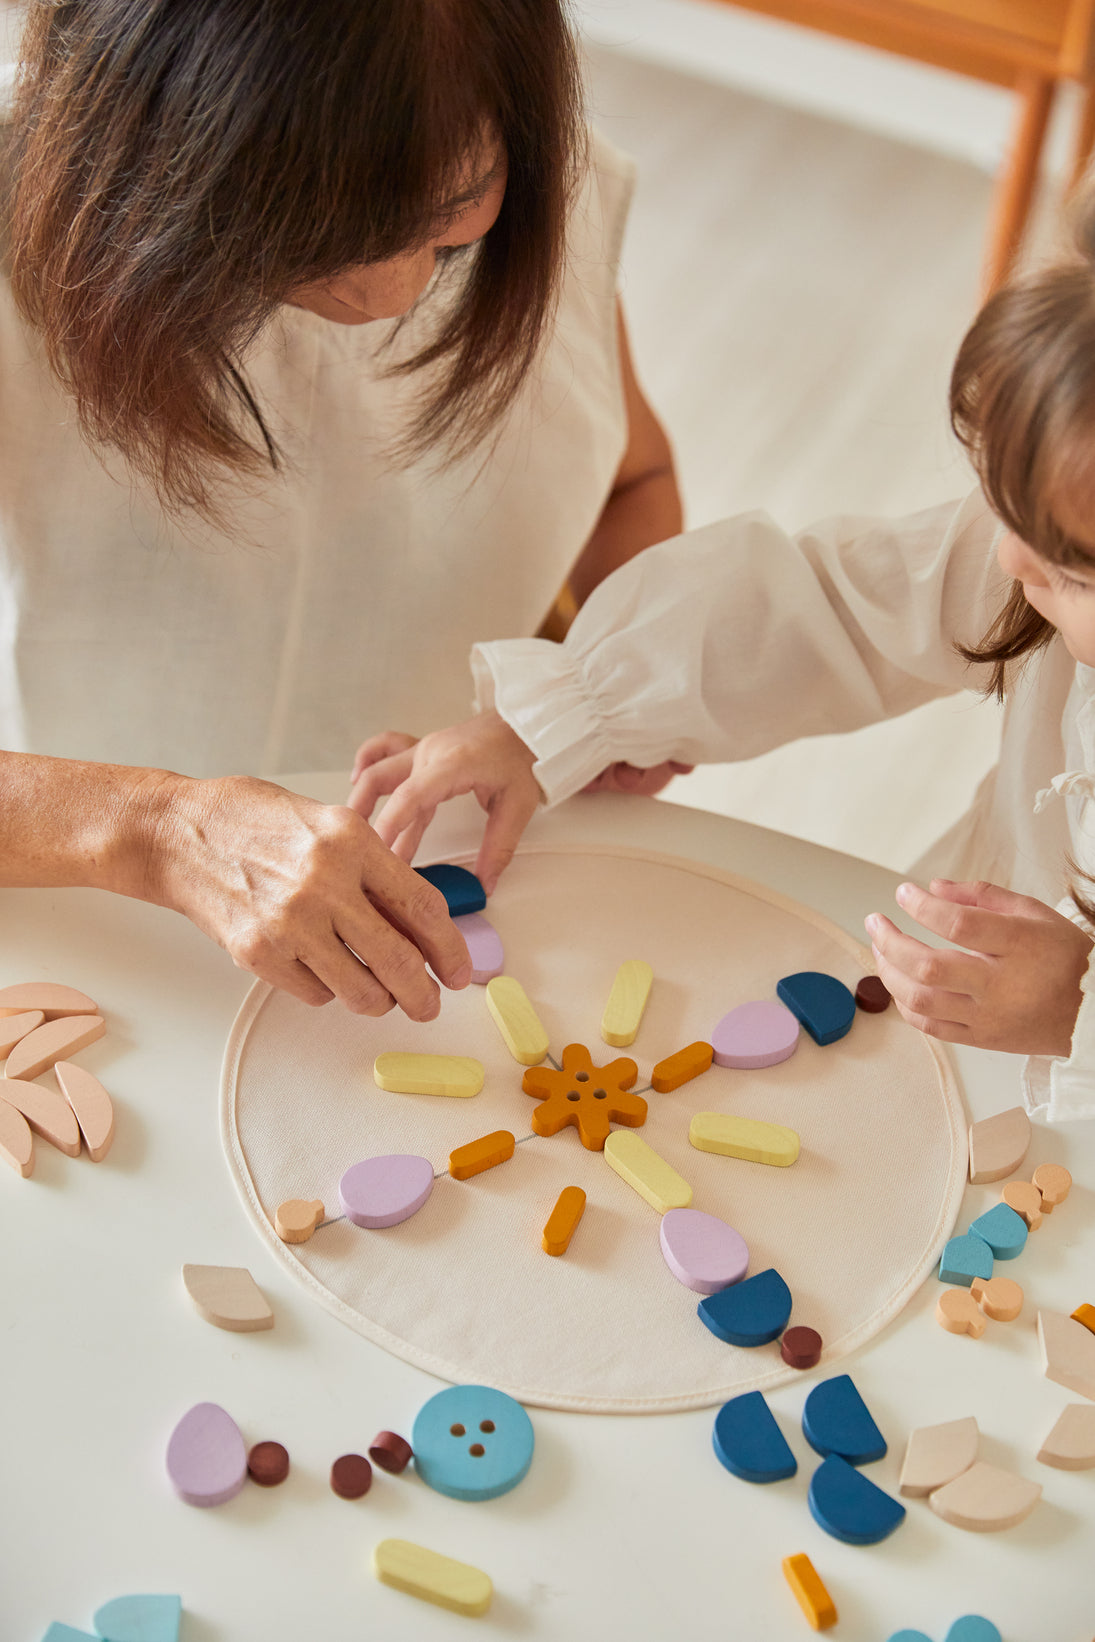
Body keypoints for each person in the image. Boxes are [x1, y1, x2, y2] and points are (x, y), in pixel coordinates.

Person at [0, 0, 682, 1018]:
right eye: (314, 238)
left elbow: (630, 483)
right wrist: (164, 829)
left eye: (449, 212)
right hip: (116, 935)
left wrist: (626, 678)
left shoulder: (536, 172)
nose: (394, 288)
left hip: (473, 909)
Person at [348, 230, 1095, 1122]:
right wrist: (568, 712)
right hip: (961, 1012)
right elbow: (829, 610)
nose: (1010, 556)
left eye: (1073, 570)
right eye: (999, 511)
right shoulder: (1042, 537)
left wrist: (1076, 1012)